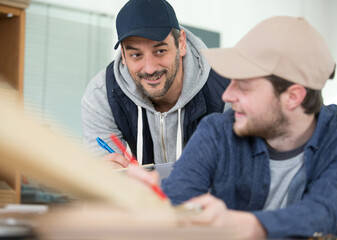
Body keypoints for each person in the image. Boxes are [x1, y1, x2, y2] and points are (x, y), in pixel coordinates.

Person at [128, 16, 337, 239]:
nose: (227, 95)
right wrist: (151, 199)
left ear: (292, 97)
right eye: (231, 82)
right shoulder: (217, 131)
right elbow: (176, 198)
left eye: (244, 86)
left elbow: (325, 214)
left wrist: (241, 225)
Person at [81, 0, 229, 168]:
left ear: (181, 43)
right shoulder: (102, 95)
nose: (150, 69)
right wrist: (110, 176)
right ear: (123, 54)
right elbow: (105, 178)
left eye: (160, 51)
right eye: (136, 55)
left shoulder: (227, 91)